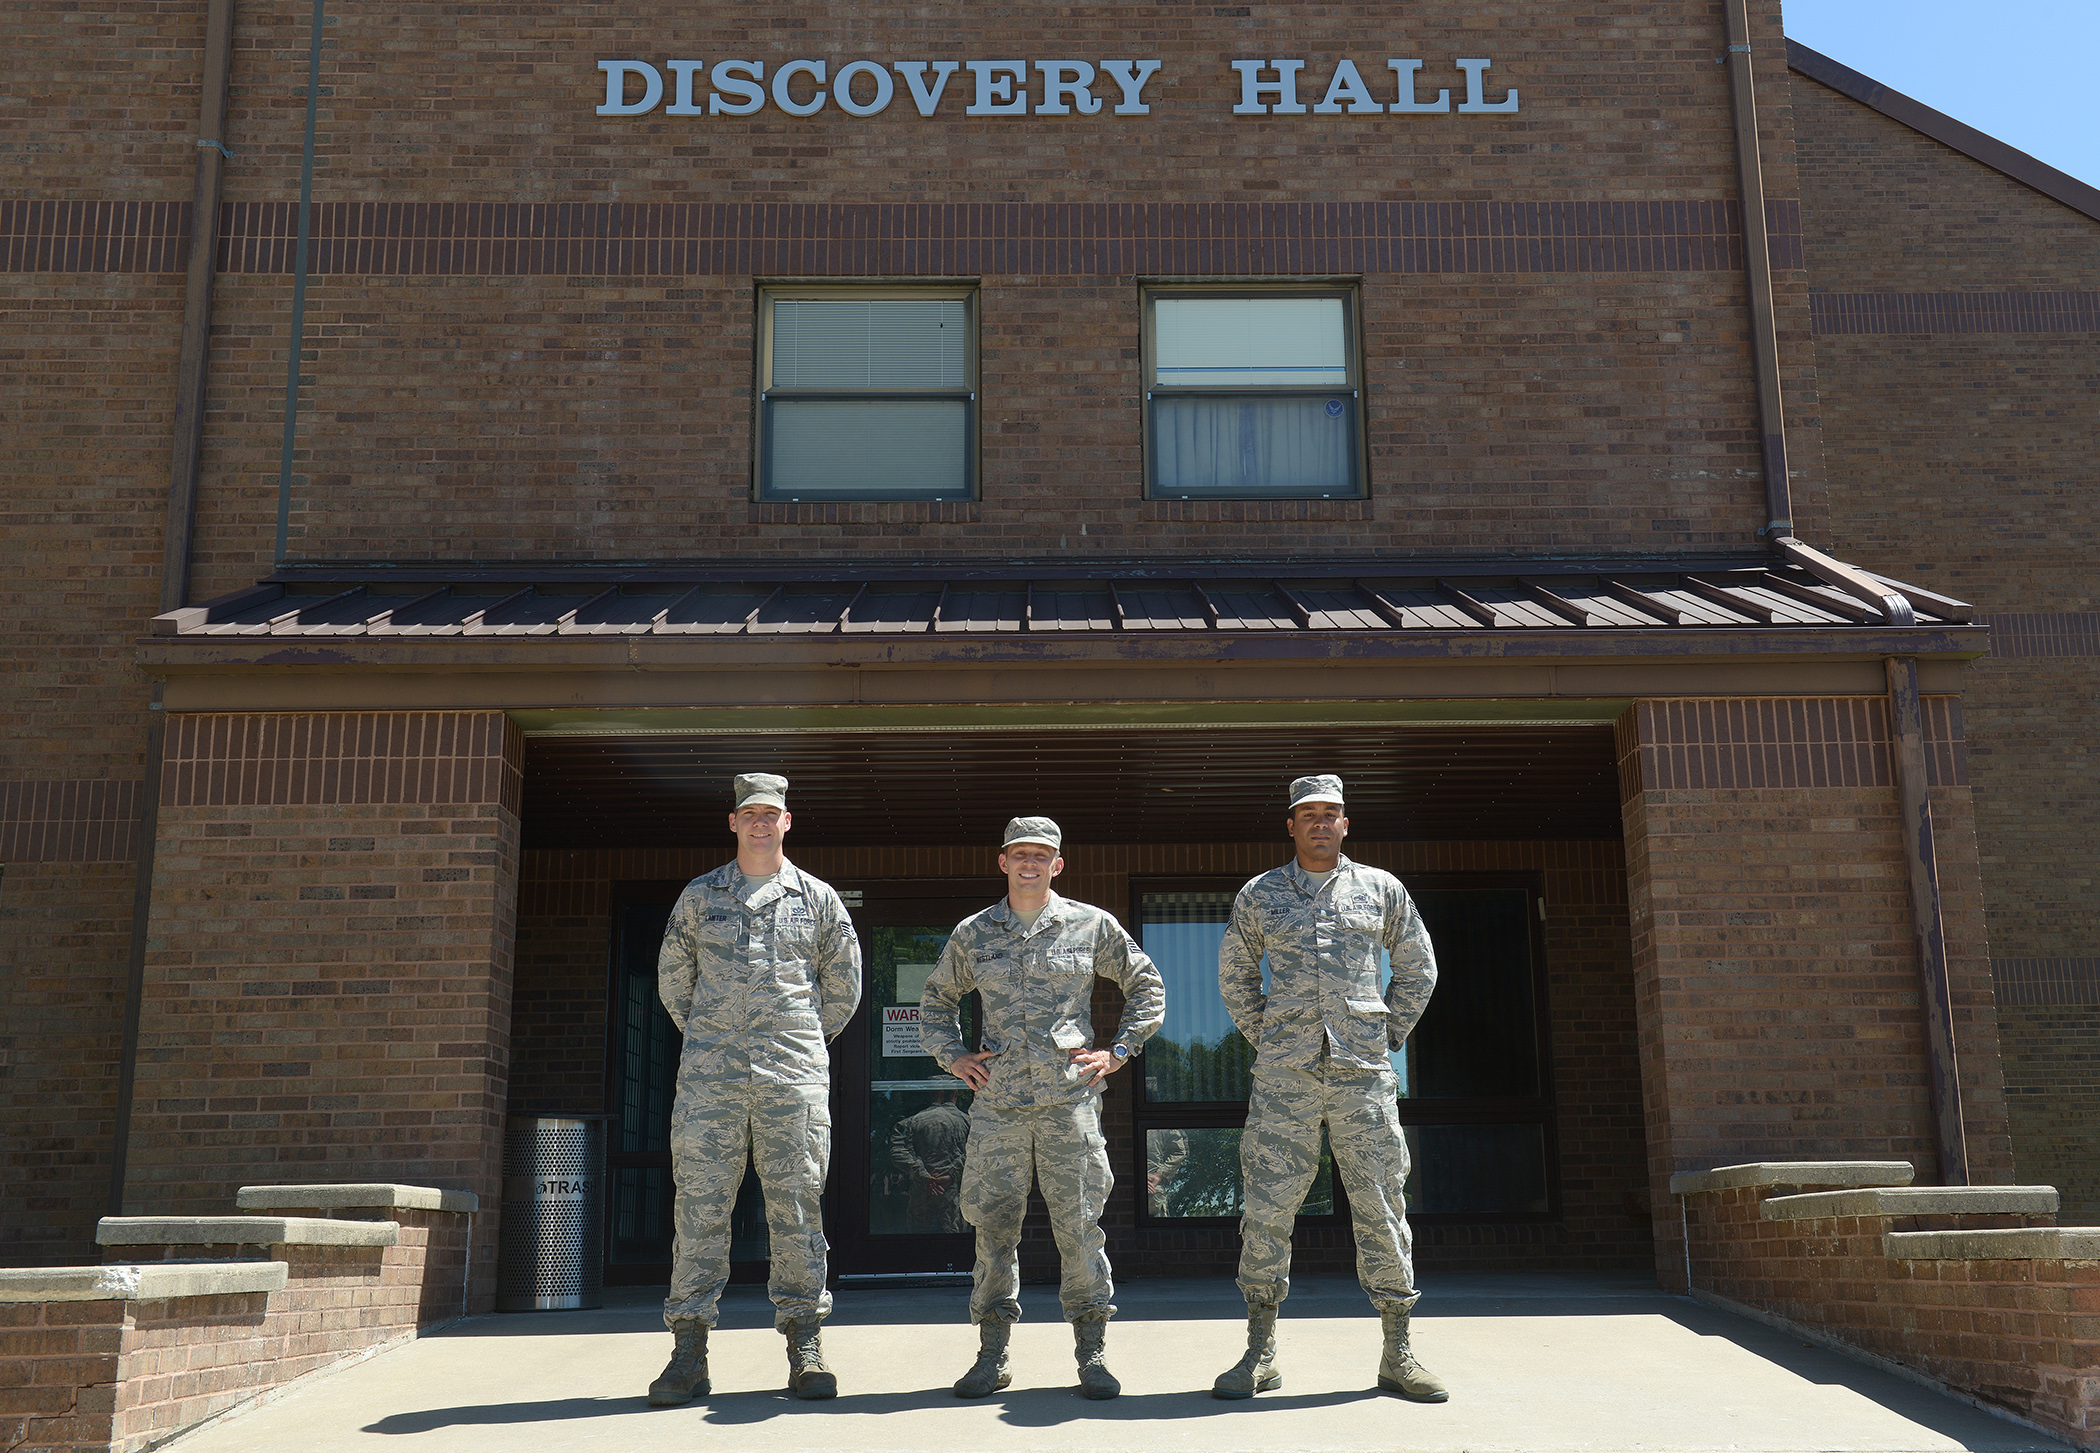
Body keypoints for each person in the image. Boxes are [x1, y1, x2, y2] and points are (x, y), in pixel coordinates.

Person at [1212, 774, 1446, 1403]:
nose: (1319, 823)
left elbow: (1418, 966)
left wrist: (1386, 1032)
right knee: (1267, 1210)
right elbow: (1234, 973)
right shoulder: (1261, 894)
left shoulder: (1381, 889)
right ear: (1290, 826)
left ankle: (1398, 1351)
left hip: (1362, 1077)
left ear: (1347, 824)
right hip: (1284, 1078)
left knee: (1381, 1207)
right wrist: (1270, 1037)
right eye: (1307, 814)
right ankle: (1259, 1352)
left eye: (1331, 814)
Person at [920, 816, 1166, 1400]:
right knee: (993, 1232)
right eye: (1018, 854)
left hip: (1068, 1104)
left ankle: (1093, 1354)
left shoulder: (1090, 925)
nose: (1029, 863)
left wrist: (1118, 1051)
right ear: (1001, 862)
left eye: (1042, 855)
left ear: (1058, 865)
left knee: (1080, 1230)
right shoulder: (975, 933)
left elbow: (1147, 986)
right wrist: (953, 1055)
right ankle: (991, 1355)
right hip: (998, 1107)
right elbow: (935, 998)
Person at [647, 773, 863, 1406]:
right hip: (711, 1081)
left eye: (772, 814)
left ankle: (804, 1344)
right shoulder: (698, 897)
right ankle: (688, 1350)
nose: (761, 824)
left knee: (797, 1210)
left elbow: (842, 991)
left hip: (792, 1079)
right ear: (734, 824)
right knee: (700, 1210)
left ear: (787, 822)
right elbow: (673, 983)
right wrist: (718, 1038)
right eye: (750, 815)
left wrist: (790, 1042)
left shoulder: (819, 900)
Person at [890, 1087, 971, 1233]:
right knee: (954, 1246)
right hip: (954, 1200)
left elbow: (898, 1152)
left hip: (921, 1199)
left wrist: (922, 1175)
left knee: (919, 1246)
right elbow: (977, 1155)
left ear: (933, 1094)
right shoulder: (968, 1123)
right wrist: (952, 1175)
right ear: (956, 1094)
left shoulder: (911, 1122)